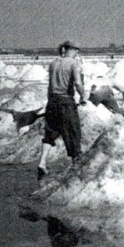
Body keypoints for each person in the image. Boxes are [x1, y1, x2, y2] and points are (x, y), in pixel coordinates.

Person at [37, 40, 86, 180]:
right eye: (77, 50)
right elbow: (77, 83)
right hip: (66, 102)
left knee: (50, 132)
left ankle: (42, 163)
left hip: (52, 101)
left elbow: (49, 86)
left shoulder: (53, 63)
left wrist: (50, 102)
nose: (77, 53)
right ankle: (76, 169)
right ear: (73, 50)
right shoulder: (73, 63)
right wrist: (83, 96)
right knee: (72, 132)